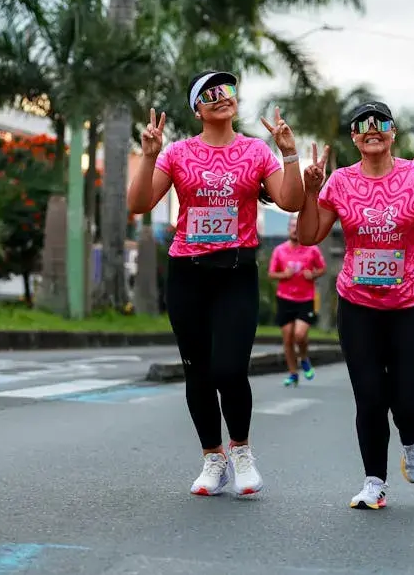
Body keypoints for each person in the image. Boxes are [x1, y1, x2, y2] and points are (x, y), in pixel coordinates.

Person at [127, 70, 304, 497]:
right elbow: (138, 204)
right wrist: (149, 155)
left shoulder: (255, 151)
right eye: (210, 94)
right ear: (197, 108)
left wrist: (289, 155)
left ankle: (241, 452)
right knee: (198, 372)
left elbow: (292, 201)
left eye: (226, 90)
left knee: (229, 367)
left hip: (235, 272)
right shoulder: (177, 153)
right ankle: (213, 458)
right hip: (187, 272)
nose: (221, 97)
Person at [297, 100, 414, 510]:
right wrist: (309, 190)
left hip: (409, 305)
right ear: (353, 136)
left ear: (393, 132)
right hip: (358, 306)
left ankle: (410, 440)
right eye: (362, 125)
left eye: (381, 123)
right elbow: (308, 235)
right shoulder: (339, 181)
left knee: (410, 403)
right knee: (369, 397)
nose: (371, 129)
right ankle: (373, 482)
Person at [268, 215, 326, 387]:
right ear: (288, 229)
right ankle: (293, 373)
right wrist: (283, 275)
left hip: (305, 299)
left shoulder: (312, 249)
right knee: (287, 339)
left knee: (299, 335)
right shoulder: (279, 250)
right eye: (292, 226)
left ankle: (304, 358)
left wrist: (313, 274)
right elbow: (271, 274)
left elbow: (322, 269)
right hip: (285, 298)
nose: (295, 229)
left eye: (298, 226)